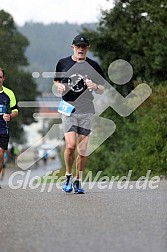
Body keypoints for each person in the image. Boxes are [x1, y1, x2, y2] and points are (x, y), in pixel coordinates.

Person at [54, 35, 105, 193]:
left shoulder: (93, 65)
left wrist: (95, 86)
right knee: (70, 145)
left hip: (86, 111)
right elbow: (56, 81)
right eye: (78, 46)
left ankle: (77, 180)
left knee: (82, 151)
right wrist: (59, 87)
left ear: (87, 48)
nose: (81, 49)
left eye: (84, 47)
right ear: (72, 47)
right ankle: (68, 175)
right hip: (69, 110)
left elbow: (103, 89)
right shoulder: (63, 63)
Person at [0, 68, 18, 188]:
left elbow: (16, 110)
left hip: (2, 129)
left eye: (0, 77)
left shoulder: (9, 93)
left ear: (3, 78)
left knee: (0, 155)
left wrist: (10, 116)